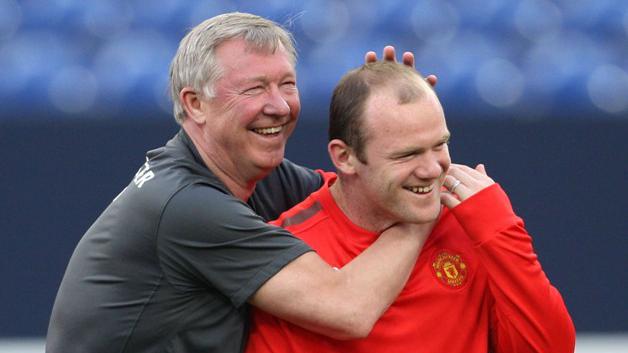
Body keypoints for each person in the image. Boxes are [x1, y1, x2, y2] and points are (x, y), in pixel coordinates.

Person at [46, 12, 436, 353]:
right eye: (255, 88)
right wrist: (418, 217)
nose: (280, 106)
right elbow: (347, 308)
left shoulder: (245, 172)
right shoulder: (187, 204)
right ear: (196, 103)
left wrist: (392, 121)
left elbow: (364, 199)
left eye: (287, 84)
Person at [246, 61, 576, 353]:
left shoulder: (475, 224)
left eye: (440, 144)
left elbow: (550, 348)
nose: (433, 169)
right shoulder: (288, 251)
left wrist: (502, 229)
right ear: (344, 158)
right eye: (407, 154)